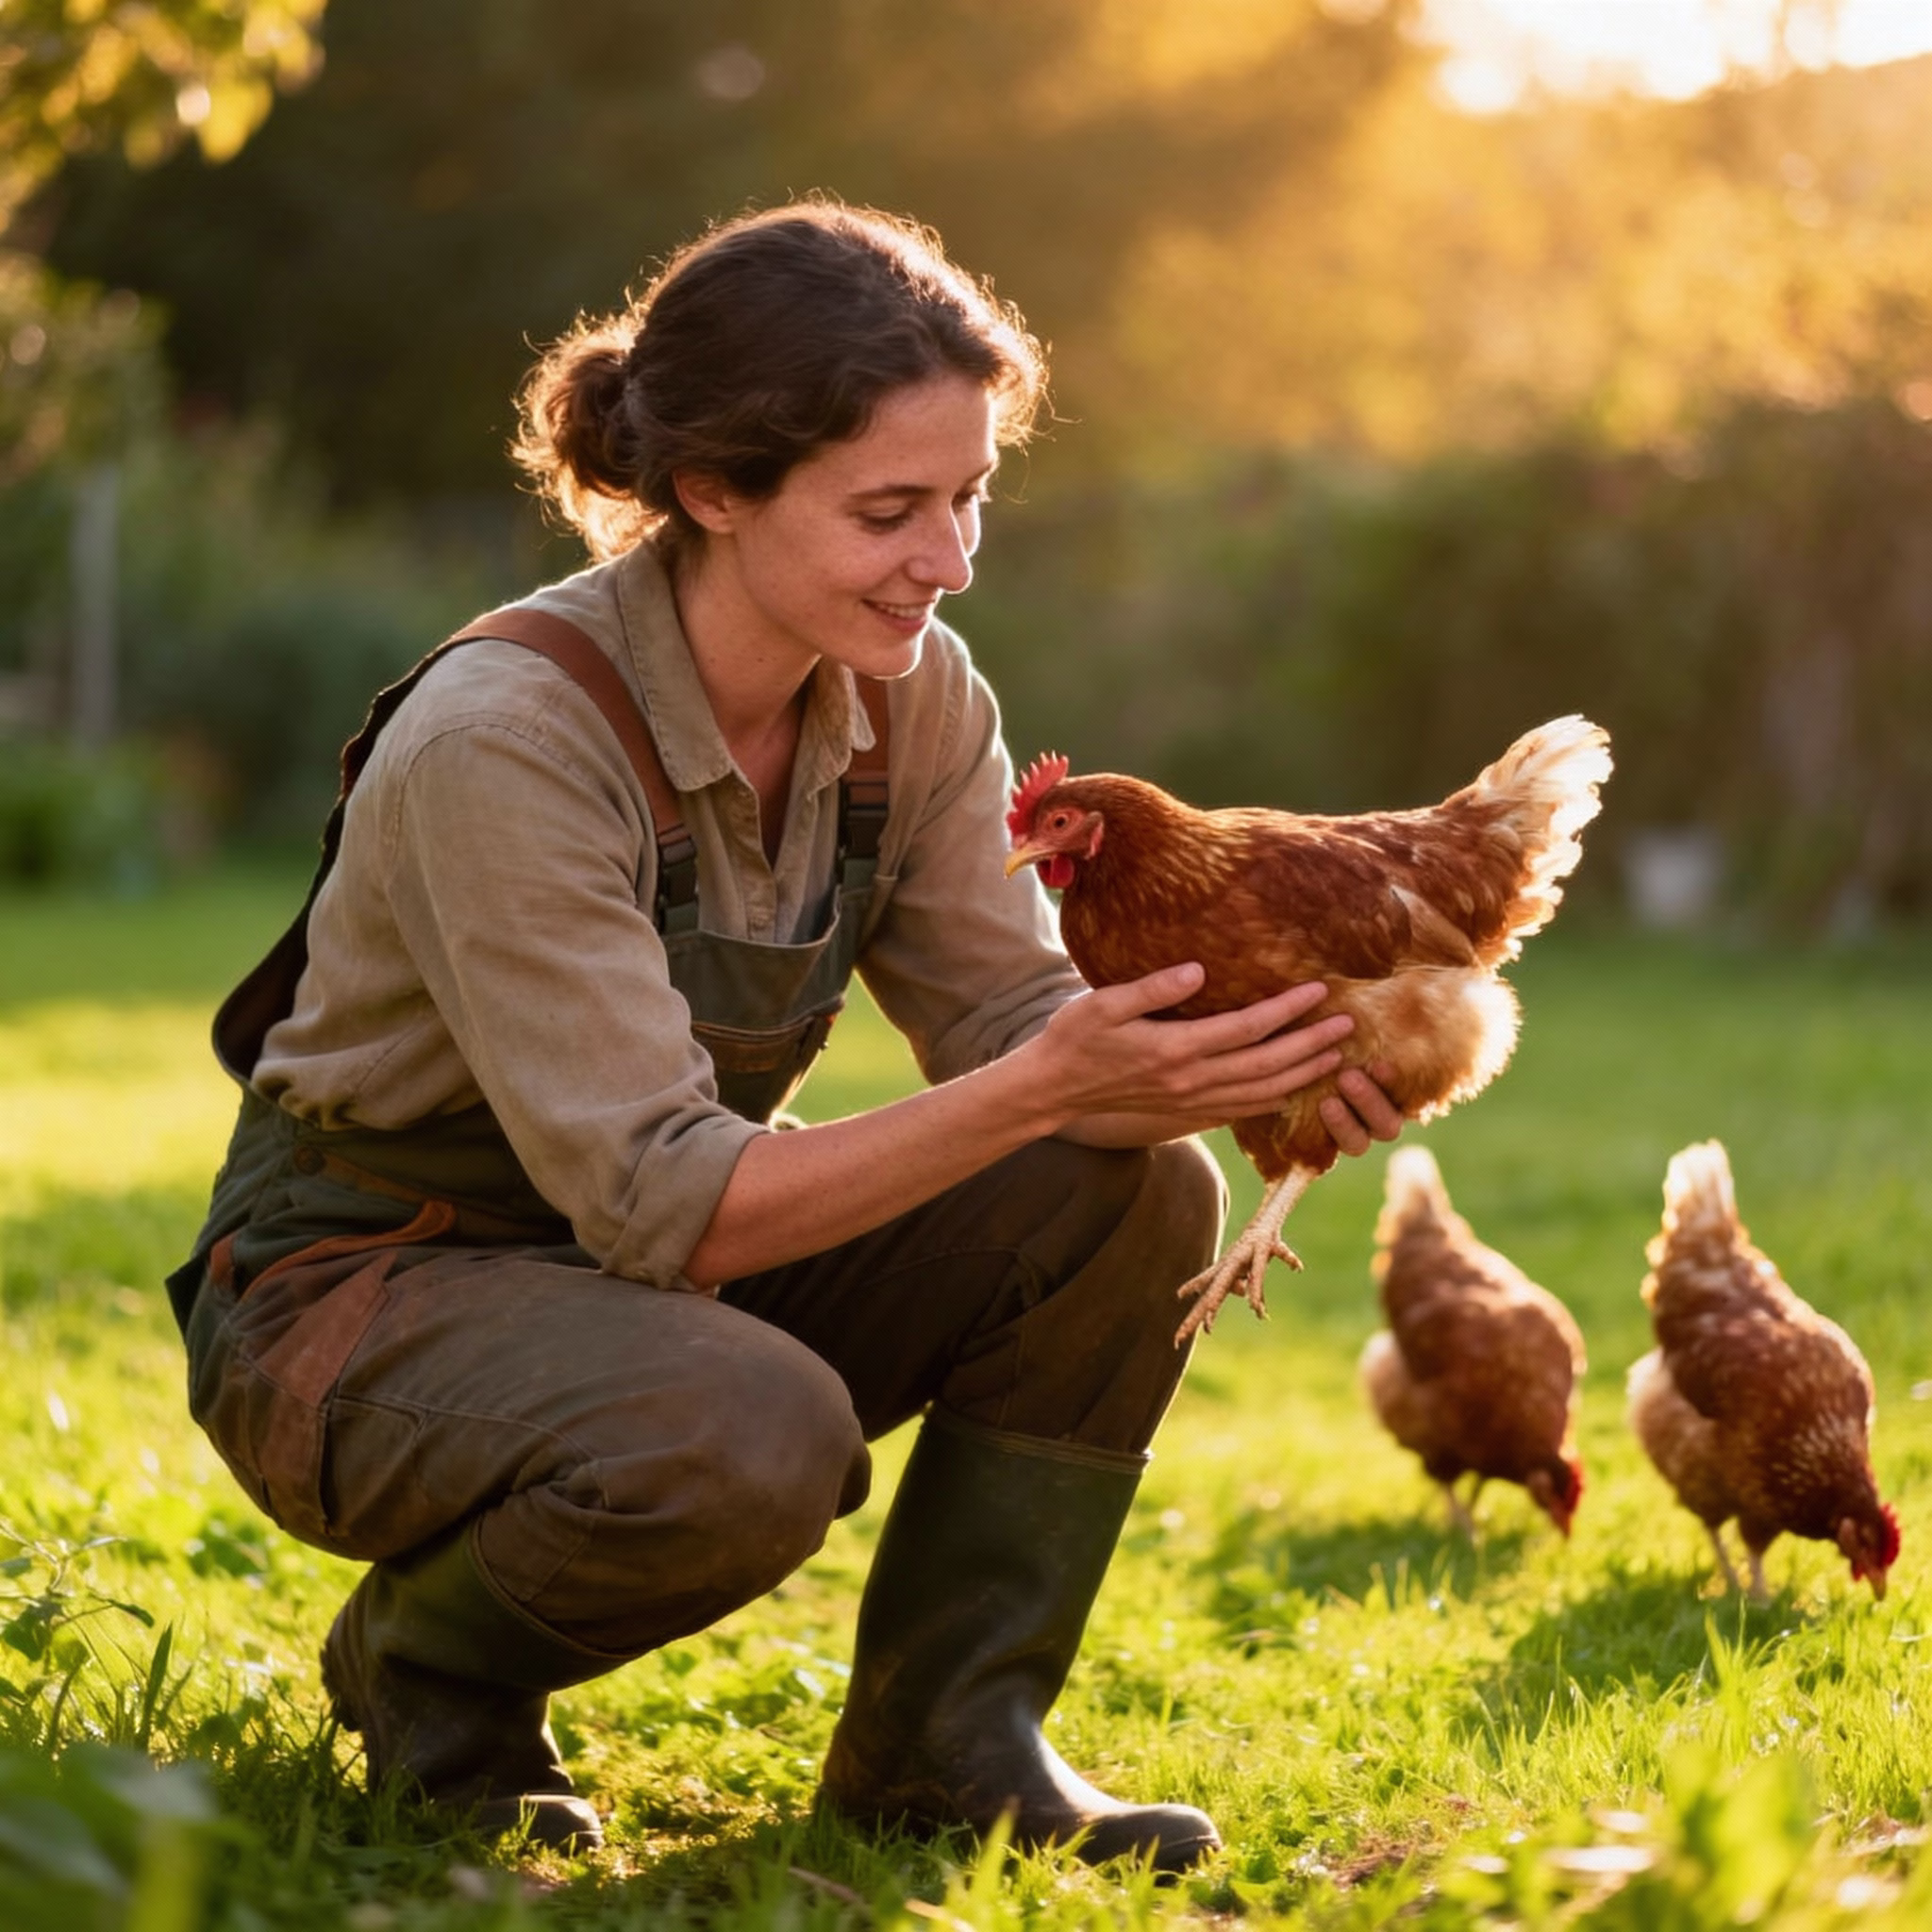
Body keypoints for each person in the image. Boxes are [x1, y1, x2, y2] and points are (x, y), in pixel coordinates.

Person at [167, 199, 1402, 1872]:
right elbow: (667, 1201)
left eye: (970, 499)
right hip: (366, 1292)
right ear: (712, 490)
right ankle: (429, 1685)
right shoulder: (510, 736)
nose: (951, 559)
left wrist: (1249, 1054)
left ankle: (948, 1746)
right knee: (746, 1434)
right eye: (891, 510)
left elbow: (1017, 1022)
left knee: (1140, 1195)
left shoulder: (915, 688)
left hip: (635, 1267)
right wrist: (1055, 1080)